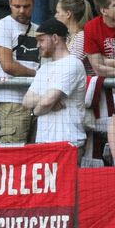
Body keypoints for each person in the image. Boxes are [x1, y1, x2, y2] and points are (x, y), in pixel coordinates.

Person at [24, 18, 88, 146]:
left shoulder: (72, 64)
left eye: (41, 40)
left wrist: (35, 112)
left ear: (54, 38)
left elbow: (47, 102)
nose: (37, 45)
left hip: (69, 143)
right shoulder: (44, 68)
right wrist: (46, 100)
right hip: (44, 142)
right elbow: (26, 101)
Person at [0, 0, 39, 143]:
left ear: (33, 4)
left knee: (37, 152)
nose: (22, 11)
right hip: (11, 100)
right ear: (10, 4)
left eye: (26, 6)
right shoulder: (2, 26)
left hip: (37, 101)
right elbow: (8, 65)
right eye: (17, 6)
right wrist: (38, 75)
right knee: (12, 151)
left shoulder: (38, 29)